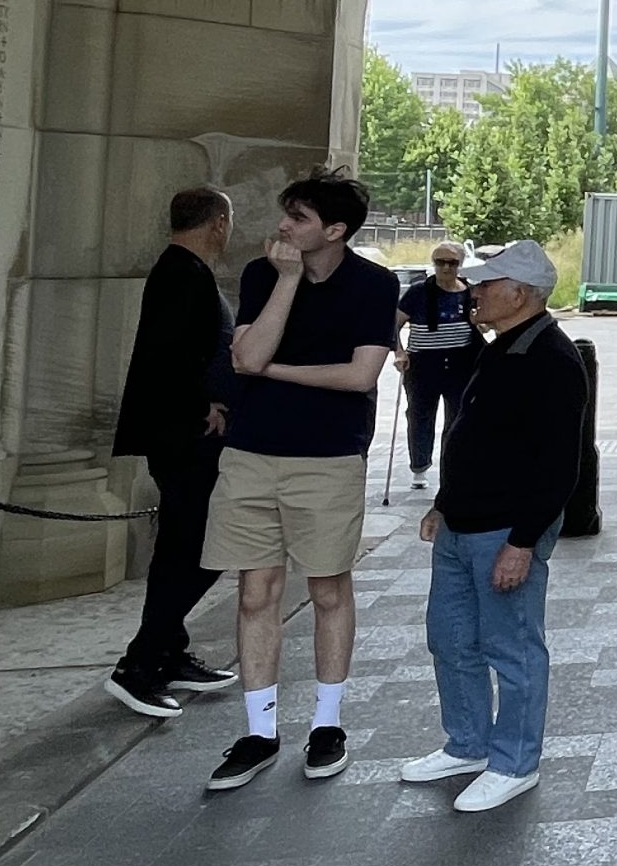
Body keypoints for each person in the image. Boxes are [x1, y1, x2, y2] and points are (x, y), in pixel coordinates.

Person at [203, 168, 398, 791]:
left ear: (335, 230)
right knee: (254, 592)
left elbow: (359, 377)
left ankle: (327, 724)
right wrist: (287, 281)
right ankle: (259, 732)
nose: (283, 227)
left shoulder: (374, 284)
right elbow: (246, 356)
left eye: (298, 218)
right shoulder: (262, 274)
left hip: (328, 457)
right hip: (251, 453)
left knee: (328, 589)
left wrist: (274, 371)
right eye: (286, 214)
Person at [400, 240, 584, 813]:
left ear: (519, 294)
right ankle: (468, 745)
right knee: (451, 639)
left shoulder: (551, 357)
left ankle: (515, 763)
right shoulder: (499, 345)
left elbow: (559, 464)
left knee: (513, 649)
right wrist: (443, 502)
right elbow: (471, 435)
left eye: (486, 284)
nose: (473, 292)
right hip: (462, 523)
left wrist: (522, 542)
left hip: (504, 530)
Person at [103, 187, 243, 718]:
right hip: (185, 437)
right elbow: (167, 358)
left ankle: (167, 652)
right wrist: (201, 407)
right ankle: (139, 665)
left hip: (188, 435)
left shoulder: (186, 270)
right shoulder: (180, 273)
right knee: (201, 547)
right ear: (218, 222)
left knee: (186, 547)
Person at [393, 243, 482, 492]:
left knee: (458, 418)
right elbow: (393, 324)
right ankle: (419, 467)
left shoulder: (470, 292)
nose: (445, 268)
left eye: (451, 263)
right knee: (420, 416)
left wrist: (480, 324)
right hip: (423, 363)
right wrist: (399, 352)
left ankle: (451, 470)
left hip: (461, 363)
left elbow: (484, 321)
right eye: (439, 262)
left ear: (460, 265)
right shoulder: (418, 292)